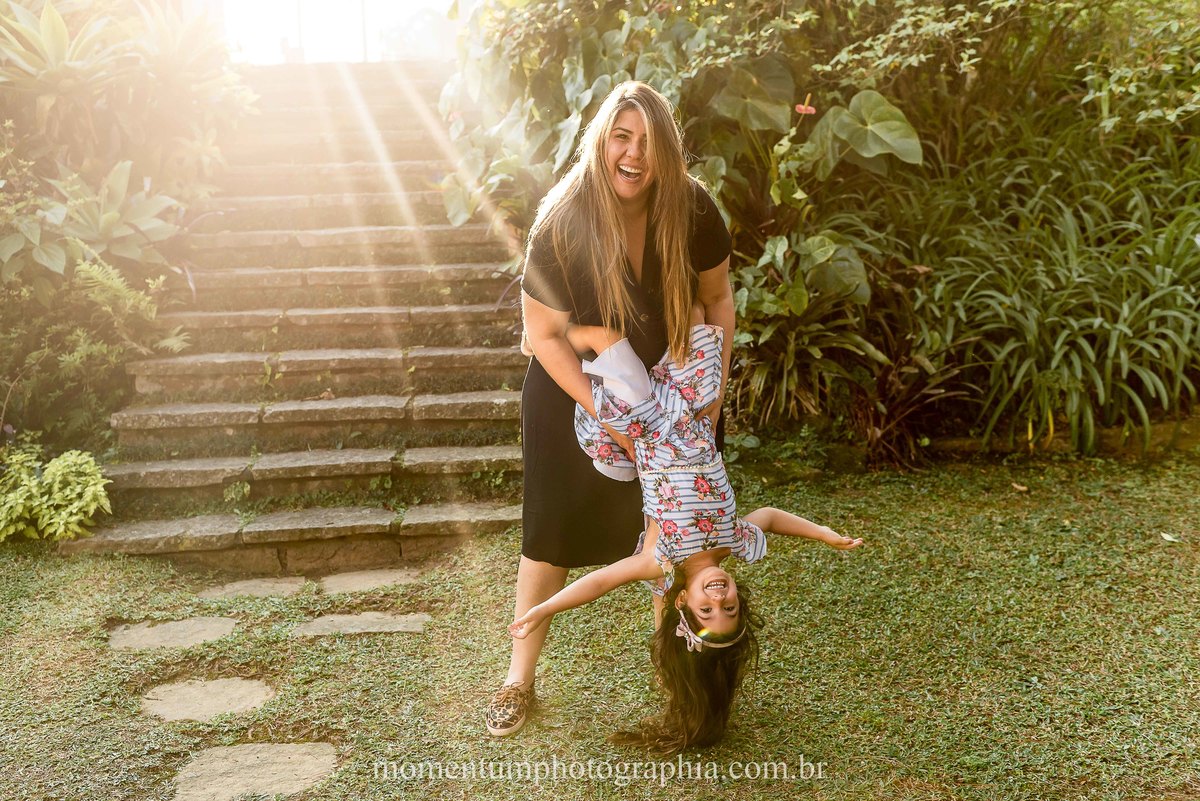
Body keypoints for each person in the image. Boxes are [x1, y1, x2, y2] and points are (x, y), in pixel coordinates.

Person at [486, 80, 736, 737]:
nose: (635, 154)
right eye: (622, 137)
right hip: (572, 387)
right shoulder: (563, 221)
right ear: (602, 142)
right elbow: (539, 336)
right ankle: (518, 680)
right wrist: (609, 414)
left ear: (668, 153)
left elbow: (717, 302)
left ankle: (683, 690)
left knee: (678, 542)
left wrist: (705, 402)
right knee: (549, 539)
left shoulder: (694, 211)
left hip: (670, 393)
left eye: (649, 142)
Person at [508, 319, 864, 753]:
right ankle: (556, 341)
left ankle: (548, 339)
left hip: (648, 422)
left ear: (683, 603)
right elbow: (769, 517)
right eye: (728, 606)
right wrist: (822, 534)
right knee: (698, 322)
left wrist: (544, 607)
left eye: (706, 610)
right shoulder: (732, 542)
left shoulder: (662, 559)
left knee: (601, 337)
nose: (718, 598)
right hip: (693, 415)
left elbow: (599, 583)